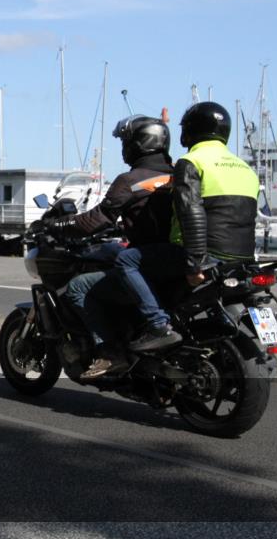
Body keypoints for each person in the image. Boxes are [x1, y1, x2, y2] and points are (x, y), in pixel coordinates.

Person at [116, 102, 259, 352]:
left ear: (190, 131)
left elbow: (190, 212)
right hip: (242, 259)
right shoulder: (245, 167)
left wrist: (195, 263)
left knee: (127, 260)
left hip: (203, 253)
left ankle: (157, 325)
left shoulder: (191, 161)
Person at [45, 115, 174, 378]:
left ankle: (110, 352)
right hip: (174, 260)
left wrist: (58, 225)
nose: (123, 148)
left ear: (138, 144)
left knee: (79, 287)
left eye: (126, 142)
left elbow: (96, 219)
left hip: (147, 262)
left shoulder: (131, 180)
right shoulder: (175, 175)